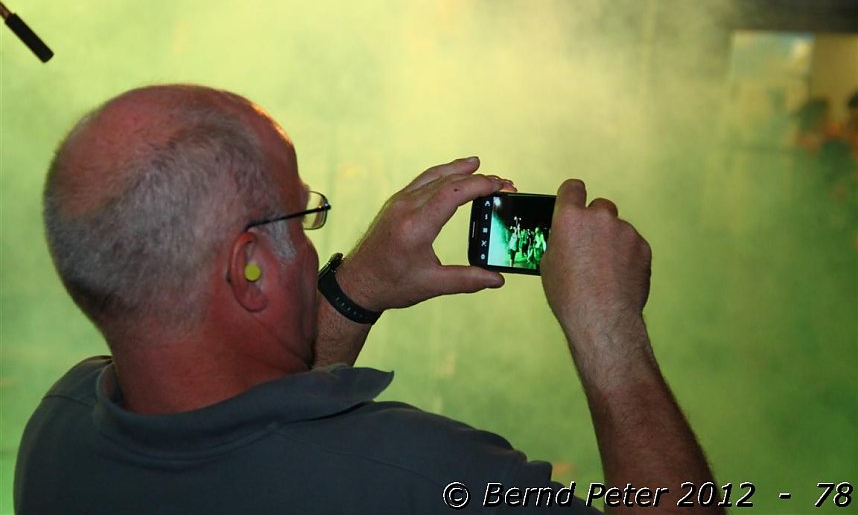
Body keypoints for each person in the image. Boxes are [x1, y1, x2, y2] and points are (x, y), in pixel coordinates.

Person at [15, 85, 721, 514]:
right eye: (304, 218)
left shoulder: (57, 431)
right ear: (250, 268)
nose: (312, 247)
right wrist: (609, 332)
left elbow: (248, 402)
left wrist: (355, 291)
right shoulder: (424, 478)